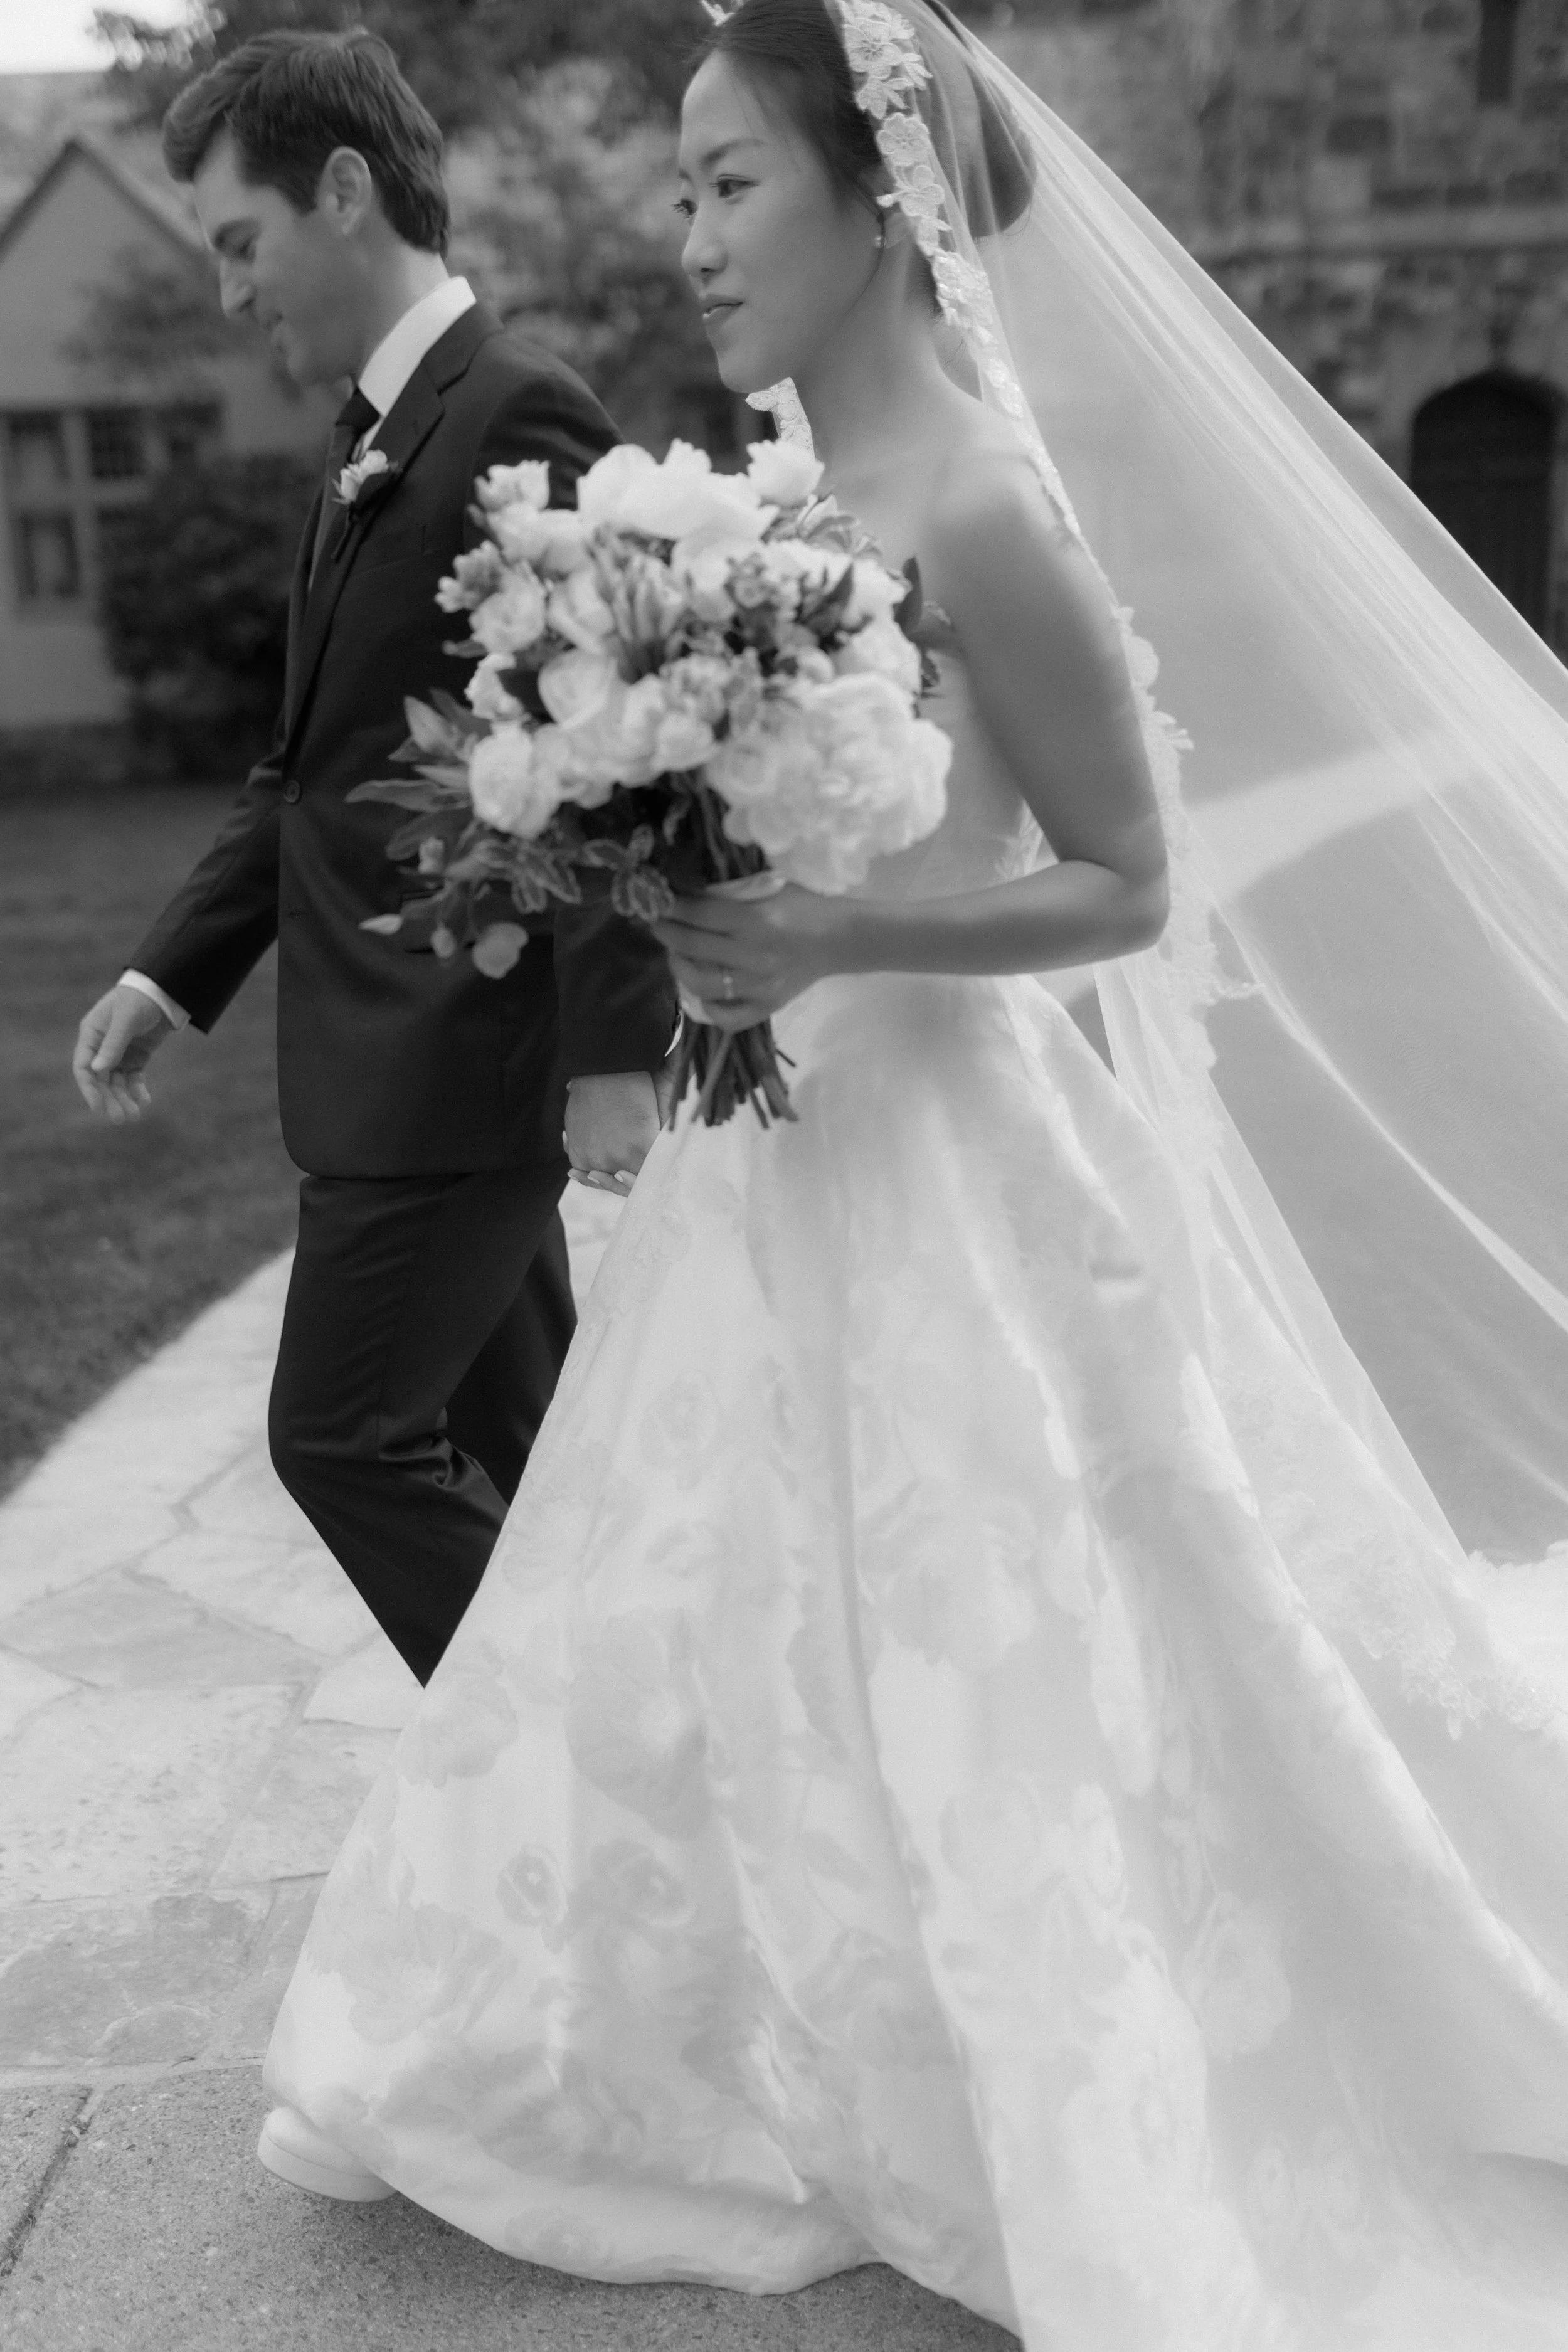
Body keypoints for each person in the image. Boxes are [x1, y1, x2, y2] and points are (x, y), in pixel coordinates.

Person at [263, 3, 1568, 2343]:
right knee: (709, 1597)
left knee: (988, 1620)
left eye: (728, 183)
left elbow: (1126, 880)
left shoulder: (977, 504)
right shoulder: (758, 497)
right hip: (765, 1157)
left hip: (957, 1160)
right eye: (678, 188)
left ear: (877, 206)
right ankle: (699, 2009)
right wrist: (637, 853)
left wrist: (837, 934)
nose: (687, 235)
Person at [71, 32, 676, 1693]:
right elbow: (312, 769)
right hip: (400, 1070)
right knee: (534, 1468)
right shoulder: (374, 436)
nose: (227, 294)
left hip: (457, 1061)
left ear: (342, 191)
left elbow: (615, 741)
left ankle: (572, 1749)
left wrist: (615, 1051)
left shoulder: (514, 410)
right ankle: (623, 1775)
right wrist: (168, 974)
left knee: (338, 1436)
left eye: (239, 243)